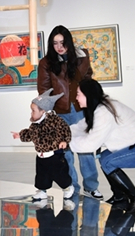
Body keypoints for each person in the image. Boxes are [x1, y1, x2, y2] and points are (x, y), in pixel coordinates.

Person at [70, 78, 135, 216]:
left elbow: (91, 144)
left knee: (108, 162)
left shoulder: (104, 112)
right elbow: (82, 127)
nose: (76, 98)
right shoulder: (101, 107)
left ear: (88, 95)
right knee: (105, 156)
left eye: (78, 94)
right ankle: (120, 198)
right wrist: (63, 133)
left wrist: (66, 143)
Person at [38, 25, 103, 200]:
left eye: (62, 42)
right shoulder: (46, 63)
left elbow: (88, 81)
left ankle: (91, 187)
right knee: (65, 153)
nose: (59, 47)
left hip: (79, 109)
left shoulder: (81, 56)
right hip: (59, 111)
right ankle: (72, 187)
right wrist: (48, 115)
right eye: (55, 43)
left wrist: (92, 104)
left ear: (69, 42)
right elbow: (44, 89)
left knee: (86, 150)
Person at [12, 89, 75, 202]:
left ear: (43, 111)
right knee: (42, 174)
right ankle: (42, 191)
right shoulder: (35, 125)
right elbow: (30, 134)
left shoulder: (55, 121)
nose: (31, 113)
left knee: (59, 173)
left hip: (54, 154)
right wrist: (20, 135)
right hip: (41, 155)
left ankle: (67, 187)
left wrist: (64, 141)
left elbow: (65, 130)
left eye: (33, 111)